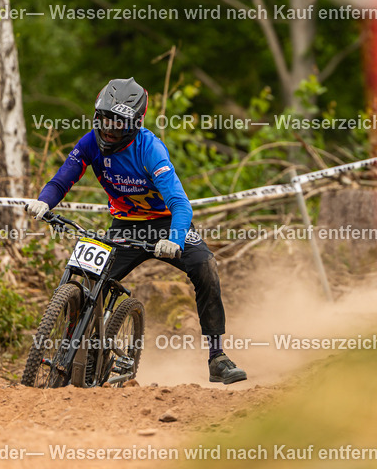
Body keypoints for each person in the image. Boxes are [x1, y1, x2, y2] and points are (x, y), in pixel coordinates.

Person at [25, 77, 247, 384]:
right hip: (125, 225)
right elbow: (63, 179)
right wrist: (43, 202)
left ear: (135, 124)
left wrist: (174, 239)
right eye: (104, 120)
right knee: (91, 280)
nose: (108, 130)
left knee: (205, 266)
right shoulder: (90, 142)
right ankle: (83, 354)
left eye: (118, 124)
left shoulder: (150, 150)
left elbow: (181, 205)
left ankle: (217, 357)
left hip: (166, 224)